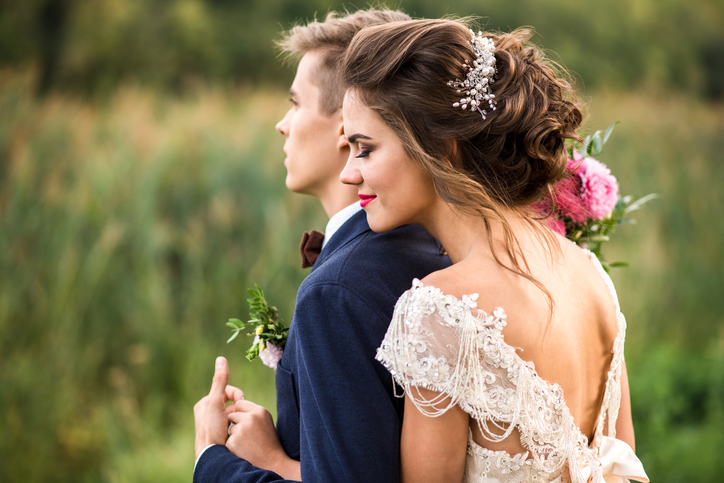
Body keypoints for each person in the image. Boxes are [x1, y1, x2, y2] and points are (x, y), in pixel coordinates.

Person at [339, 19, 649, 483]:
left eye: (364, 149)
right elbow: (621, 461)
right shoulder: (590, 274)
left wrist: (275, 467)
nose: (348, 174)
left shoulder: (442, 312)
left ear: (441, 148)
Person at [192, 9, 450, 483]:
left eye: (295, 103)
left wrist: (215, 460)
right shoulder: (441, 249)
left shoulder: (337, 289)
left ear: (344, 128)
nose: (282, 125)